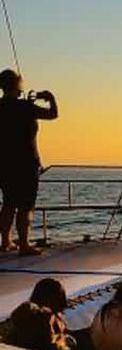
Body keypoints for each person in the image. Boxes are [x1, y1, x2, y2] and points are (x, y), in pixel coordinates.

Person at [0, 68, 58, 255]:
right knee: (25, 205)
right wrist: (50, 98)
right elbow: (52, 114)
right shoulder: (26, 107)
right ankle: (24, 244)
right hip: (26, 163)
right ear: (17, 85)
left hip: (4, 164)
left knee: (8, 204)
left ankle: (5, 242)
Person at [5, 278, 74, 350]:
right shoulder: (39, 318)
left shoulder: (53, 317)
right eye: (60, 297)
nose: (64, 303)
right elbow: (47, 347)